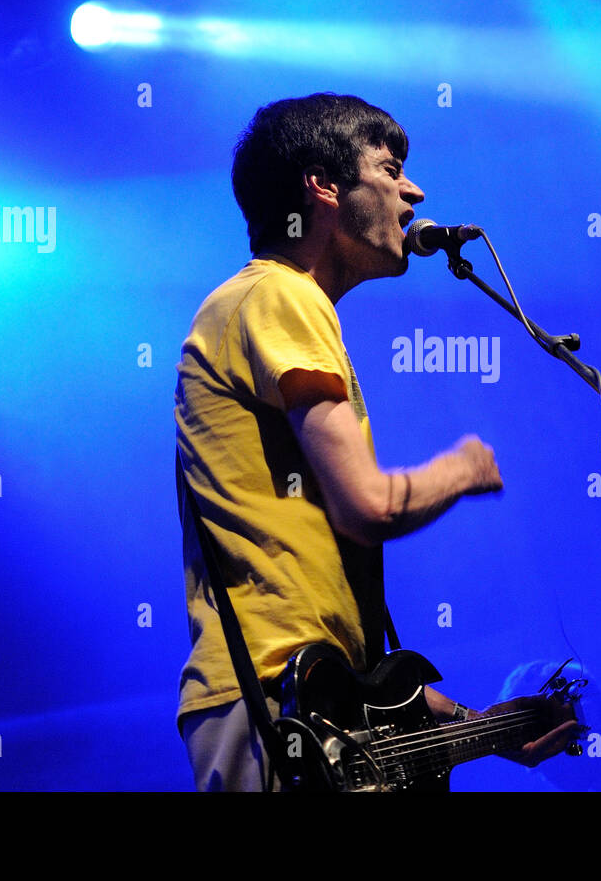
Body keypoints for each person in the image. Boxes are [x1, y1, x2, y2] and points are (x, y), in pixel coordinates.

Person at [174, 93, 577, 791]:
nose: (414, 190)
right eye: (390, 169)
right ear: (322, 186)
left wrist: (487, 728)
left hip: (305, 699)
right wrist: (463, 468)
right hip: (272, 698)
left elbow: (353, 675)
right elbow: (369, 506)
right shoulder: (279, 296)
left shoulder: (284, 307)